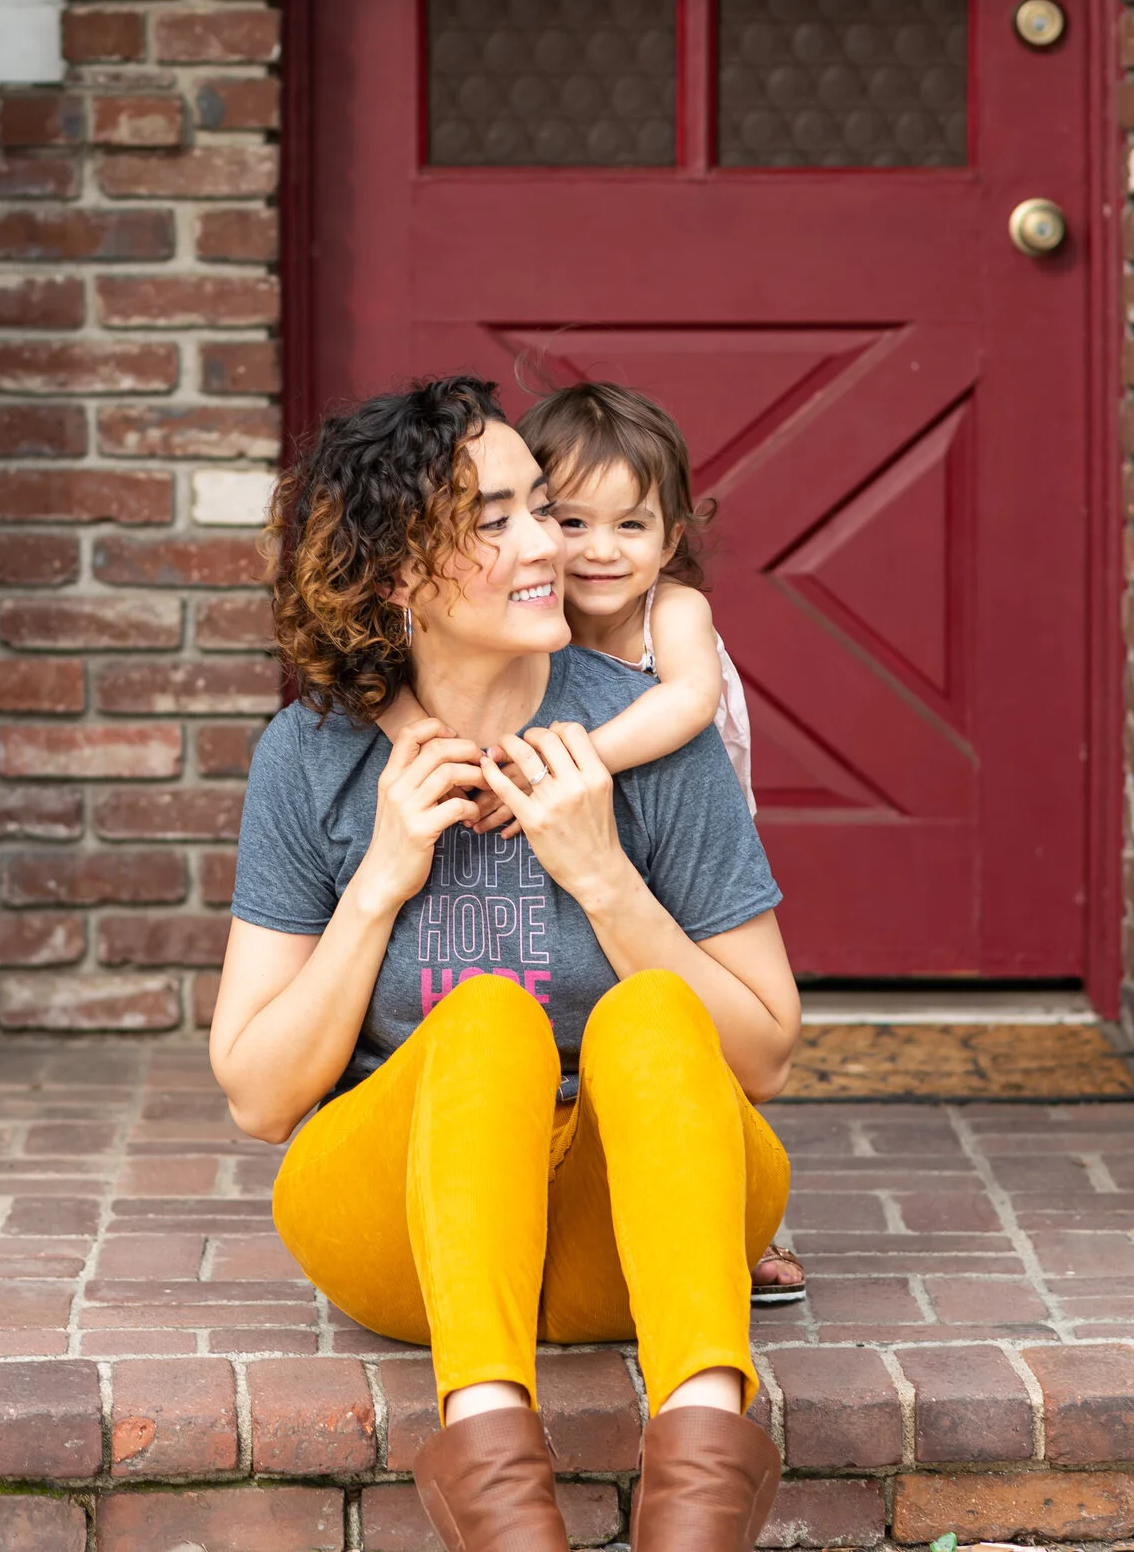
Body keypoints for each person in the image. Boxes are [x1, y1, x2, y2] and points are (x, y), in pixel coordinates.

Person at [212, 375, 804, 1552]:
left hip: (626, 1234)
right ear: (392, 576)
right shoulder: (313, 757)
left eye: (540, 504)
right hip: (405, 1242)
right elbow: (259, 1094)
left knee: (649, 1021)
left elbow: (766, 1055)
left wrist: (601, 874)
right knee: (486, 1025)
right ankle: (500, 1493)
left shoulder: (643, 732)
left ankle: (697, 1501)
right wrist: (380, 877)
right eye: (495, 520)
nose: (548, 544)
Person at [503, 381, 807, 1307]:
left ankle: (745, 1211)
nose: (599, 550)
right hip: (585, 826)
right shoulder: (521, 616)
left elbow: (685, 702)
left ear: (671, 538)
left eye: (631, 526)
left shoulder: (670, 613)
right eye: (570, 519)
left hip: (685, 834)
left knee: (701, 1010)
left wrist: (576, 757)